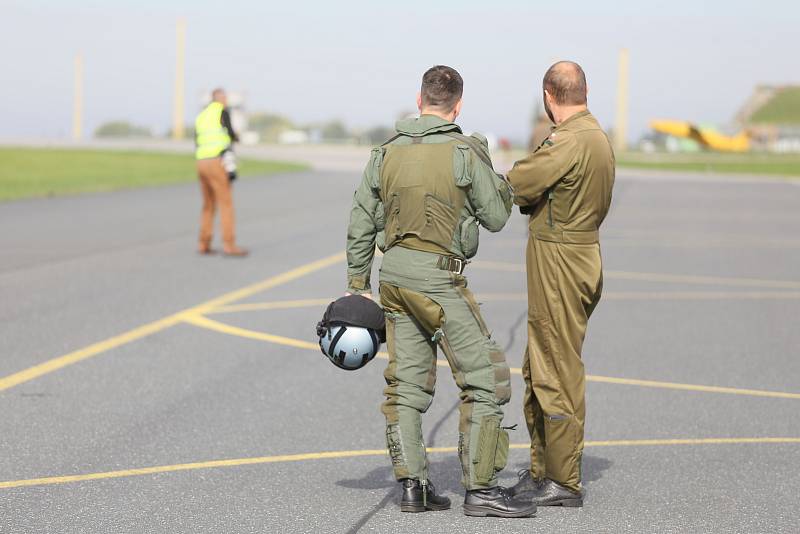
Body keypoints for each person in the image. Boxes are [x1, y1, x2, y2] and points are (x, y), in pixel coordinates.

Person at [346, 65, 536, 518]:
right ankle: (483, 488)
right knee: (486, 380)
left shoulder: (385, 153)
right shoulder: (465, 151)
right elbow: (495, 217)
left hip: (393, 278)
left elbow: (360, 220)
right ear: (458, 105)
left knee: (406, 386)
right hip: (439, 280)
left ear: (419, 100)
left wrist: (358, 286)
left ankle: (413, 486)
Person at [506, 61, 615, 507]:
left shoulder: (568, 141)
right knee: (542, 364)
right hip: (579, 252)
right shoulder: (598, 137)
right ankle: (544, 470)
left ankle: (563, 480)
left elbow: (519, 183)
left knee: (555, 369)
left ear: (550, 96)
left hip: (560, 260)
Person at [194, 88, 247, 256]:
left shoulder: (202, 116)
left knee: (208, 204)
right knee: (225, 203)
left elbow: (197, 139)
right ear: (220, 98)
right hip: (217, 161)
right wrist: (236, 137)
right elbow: (230, 134)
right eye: (224, 97)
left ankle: (204, 243)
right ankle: (229, 244)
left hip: (201, 161)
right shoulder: (222, 112)